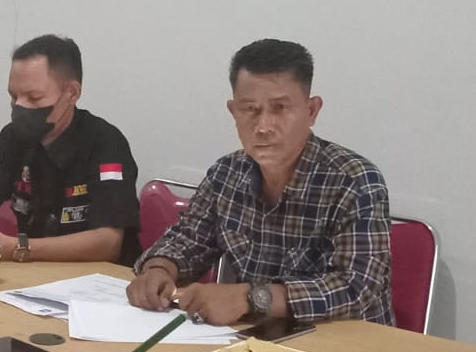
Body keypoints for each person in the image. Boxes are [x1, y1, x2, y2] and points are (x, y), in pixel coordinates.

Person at [126, 38, 391, 326]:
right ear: (233, 111)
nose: (263, 127)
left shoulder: (355, 181)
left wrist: (250, 298)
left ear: (312, 110)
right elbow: (187, 240)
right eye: (250, 109)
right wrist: (159, 269)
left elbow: (355, 288)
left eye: (280, 108)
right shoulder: (226, 173)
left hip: (346, 344)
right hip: (255, 339)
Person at [0, 34, 141, 265]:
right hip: (37, 272)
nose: (20, 106)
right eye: (14, 96)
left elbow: (108, 244)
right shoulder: (14, 136)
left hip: (99, 277)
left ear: (72, 93)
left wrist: (18, 247)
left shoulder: (105, 142)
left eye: (33, 97)